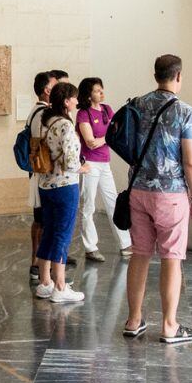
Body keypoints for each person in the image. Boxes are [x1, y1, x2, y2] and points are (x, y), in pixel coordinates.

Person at [122, 55, 192, 343]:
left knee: (140, 254)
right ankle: (170, 325)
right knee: (172, 257)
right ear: (179, 76)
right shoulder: (184, 111)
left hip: (138, 189)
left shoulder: (137, 103)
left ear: (155, 74)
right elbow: (191, 160)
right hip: (170, 194)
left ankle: (133, 320)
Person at [32, 82, 89, 303]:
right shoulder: (65, 124)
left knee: (49, 232)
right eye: (74, 98)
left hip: (46, 184)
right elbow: (71, 160)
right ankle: (60, 286)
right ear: (66, 101)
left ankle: (44, 282)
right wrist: (83, 167)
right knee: (62, 235)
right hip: (65, 185)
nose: (77, 101)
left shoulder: (45, 121)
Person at [75, 77, 131, 262]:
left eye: (102, 89)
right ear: (89, 95)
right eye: (97, 90)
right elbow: (90, 142)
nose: (101, 93)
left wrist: (107, 137)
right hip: (89, 164)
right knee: (88, 205)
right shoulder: (83, 114)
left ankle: (125, 243)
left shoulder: (107, 109)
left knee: (113, 202)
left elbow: (119, 130)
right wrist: (108, 137)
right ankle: (91, 247)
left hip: (105, 162)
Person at [27, 69, 72, 280]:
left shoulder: (43, 117)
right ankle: (56, 280)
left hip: (44, 179)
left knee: (48, 227)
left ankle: (44, 274)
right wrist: (81, 166)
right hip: (58, 181)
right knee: (56, 230)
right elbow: (70, 160)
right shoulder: (58, 122)